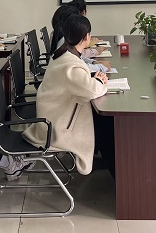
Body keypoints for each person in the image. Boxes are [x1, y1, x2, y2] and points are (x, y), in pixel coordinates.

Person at [23, 14, 109, 176]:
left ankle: (104, 155)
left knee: (101, 121)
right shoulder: (70, 64)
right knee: (105, 123)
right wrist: (100, 81)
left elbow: (83, 84)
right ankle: (111, 161)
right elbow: (92, 90)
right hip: (56, 125)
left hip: (53, 114)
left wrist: (95, 80)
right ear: (87, 37)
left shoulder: (63, 53)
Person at [51, 4, 109, 72]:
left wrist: (93, 62)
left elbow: (79, 58)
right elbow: (77, 66)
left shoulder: (64, 38)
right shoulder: (64, 41)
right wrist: (101, 67)